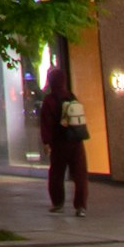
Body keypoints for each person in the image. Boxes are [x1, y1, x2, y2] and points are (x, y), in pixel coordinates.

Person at [36, 61, 88, 217]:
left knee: (57, 174)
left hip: (60, 143)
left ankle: (58, 203)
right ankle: (81, 206)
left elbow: (46, 123)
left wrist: (46, 142)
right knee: (80, 175)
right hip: (76, 141)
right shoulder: (72, 96)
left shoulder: (49, 100)